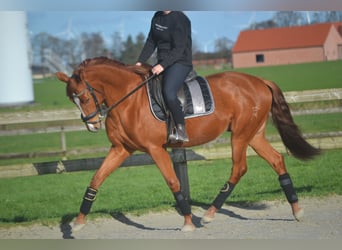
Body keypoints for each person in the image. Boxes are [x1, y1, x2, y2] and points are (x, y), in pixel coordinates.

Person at [136, 11, 193, 142]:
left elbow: (179, 49)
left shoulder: (180, 19)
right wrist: (140, 62)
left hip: (180, 62)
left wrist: (162, 65)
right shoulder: (157, 17)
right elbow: (151, 42)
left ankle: (181, 129)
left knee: (169, 92)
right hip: (162, 62)